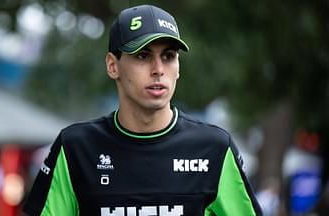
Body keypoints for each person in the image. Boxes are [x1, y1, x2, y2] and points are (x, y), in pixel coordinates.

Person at [23, 4, 263, 216]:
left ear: (178, 68)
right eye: (143, 55)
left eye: (168, 56)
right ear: (112, 65)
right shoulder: (74, 147)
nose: (158, 69)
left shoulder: (215, 148)